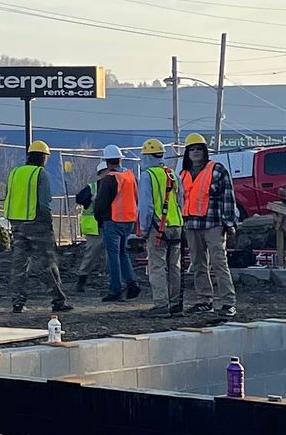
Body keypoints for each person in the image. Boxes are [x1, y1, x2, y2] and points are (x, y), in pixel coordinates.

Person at [4, 138, 69, 314]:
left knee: (19, 265)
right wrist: (48, 225)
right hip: (37, 223)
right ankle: (58, 300)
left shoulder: (15, 172)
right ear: (43, 158)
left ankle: (17, 302)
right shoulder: (41, 174)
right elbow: (44, 203)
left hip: (16, 224)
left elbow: (8, 196)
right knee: (47, 263)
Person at [179, 132, 238, 320]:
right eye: (191, 149)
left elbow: (228, 197)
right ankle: (204, 300)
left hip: (213, 224)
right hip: (191, 224)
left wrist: (229, 223)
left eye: (198, 149)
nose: (195, 152)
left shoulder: (217, 170)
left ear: (205, 151)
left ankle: (228, 302)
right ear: (187, 153)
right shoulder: (183, 174)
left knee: (219, 263)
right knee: (198, 264)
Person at [136, 137, 184, 312]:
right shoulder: (173, 174)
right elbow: (180, 202)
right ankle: (175, 303)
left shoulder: (147, 176)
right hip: (176, 226)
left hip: (158, 228)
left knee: (157, 267)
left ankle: (161, 304)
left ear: (147, 156)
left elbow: (146, 206)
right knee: (174, 266)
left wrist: (144, 229)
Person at [93, 146, 142, 301]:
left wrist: (98, 218)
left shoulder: (109, 179)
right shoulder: (129, 176)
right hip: (128, 220)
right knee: (122, 253)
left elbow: (101, 203)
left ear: (106, 162)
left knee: (113, 256)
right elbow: (136, 196)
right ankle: (131, 283)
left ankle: (116, 289)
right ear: (121, 159)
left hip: (113, 220)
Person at [69, 178, 103, 294]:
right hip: (96, 226)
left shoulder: (94, 187)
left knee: (93, 255)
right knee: (91, 254)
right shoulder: (92, 188)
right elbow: (80, 199)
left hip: (105, 224)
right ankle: (81, 279)